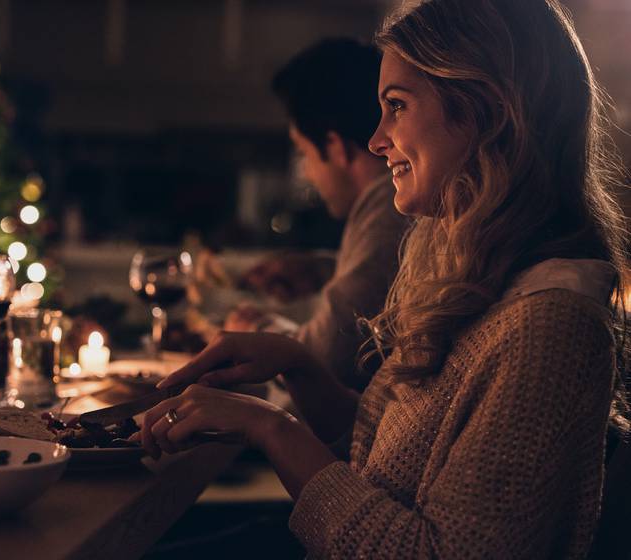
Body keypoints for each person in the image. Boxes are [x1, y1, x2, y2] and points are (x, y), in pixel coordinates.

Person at [135, 0, 629, 557]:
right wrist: (297, 368)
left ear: (487, 111)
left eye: (396, 105)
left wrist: (272, 428)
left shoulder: (550, 325)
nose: (376, 140)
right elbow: (390, 466)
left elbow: (434, 551)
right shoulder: (483, 283)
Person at [225, 38, 407, 390]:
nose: (307, 172)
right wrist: (323, 269)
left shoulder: (390, 204)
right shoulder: (385, 206)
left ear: (335, 146)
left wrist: (252, 332)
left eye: (303, 153)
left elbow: (329, 360)